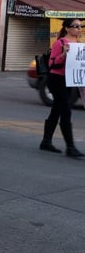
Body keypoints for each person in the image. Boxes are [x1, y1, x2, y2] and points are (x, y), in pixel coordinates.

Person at [40, 18, 85, 158]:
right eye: (76, 26)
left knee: (56, 110)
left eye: (81, 26)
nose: (79, 28)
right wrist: (64, 54)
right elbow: (53, 64)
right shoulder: (60, 43)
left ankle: (46, 141)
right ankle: (70, 147)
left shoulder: (78, 44)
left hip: (69, 80)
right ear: (67, 28)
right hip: (57, 79)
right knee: (65, 111)